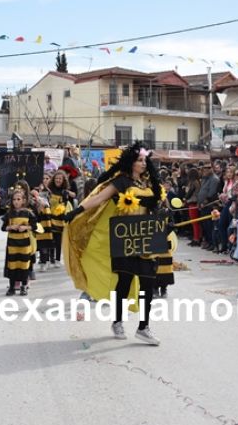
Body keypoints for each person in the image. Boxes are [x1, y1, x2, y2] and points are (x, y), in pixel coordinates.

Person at [63, 142, 163, 346]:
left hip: (146, 237)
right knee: (124, 283)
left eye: (145, 160)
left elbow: (159, 203)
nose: (143, 164)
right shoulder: (122, 181)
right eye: (139, 160)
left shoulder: (148, 184)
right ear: (131, 162)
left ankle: (144, 327)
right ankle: (117, 321)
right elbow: (99, 198)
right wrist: (77, 211)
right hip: (125, 238)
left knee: (147, 283)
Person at [1, 190, 39, 296]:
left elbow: (35, 226)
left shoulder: (28, 213)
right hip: (12, 243)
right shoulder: (9, 213)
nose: (16, 202)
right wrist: (10, 227)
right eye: (14, 199)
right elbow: (3, 227)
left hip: (25, 243)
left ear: (23, 200)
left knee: (24, 264)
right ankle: (12, 287)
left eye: (18, 199)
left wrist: (25, 227)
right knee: (12, 265)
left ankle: (24, 286)